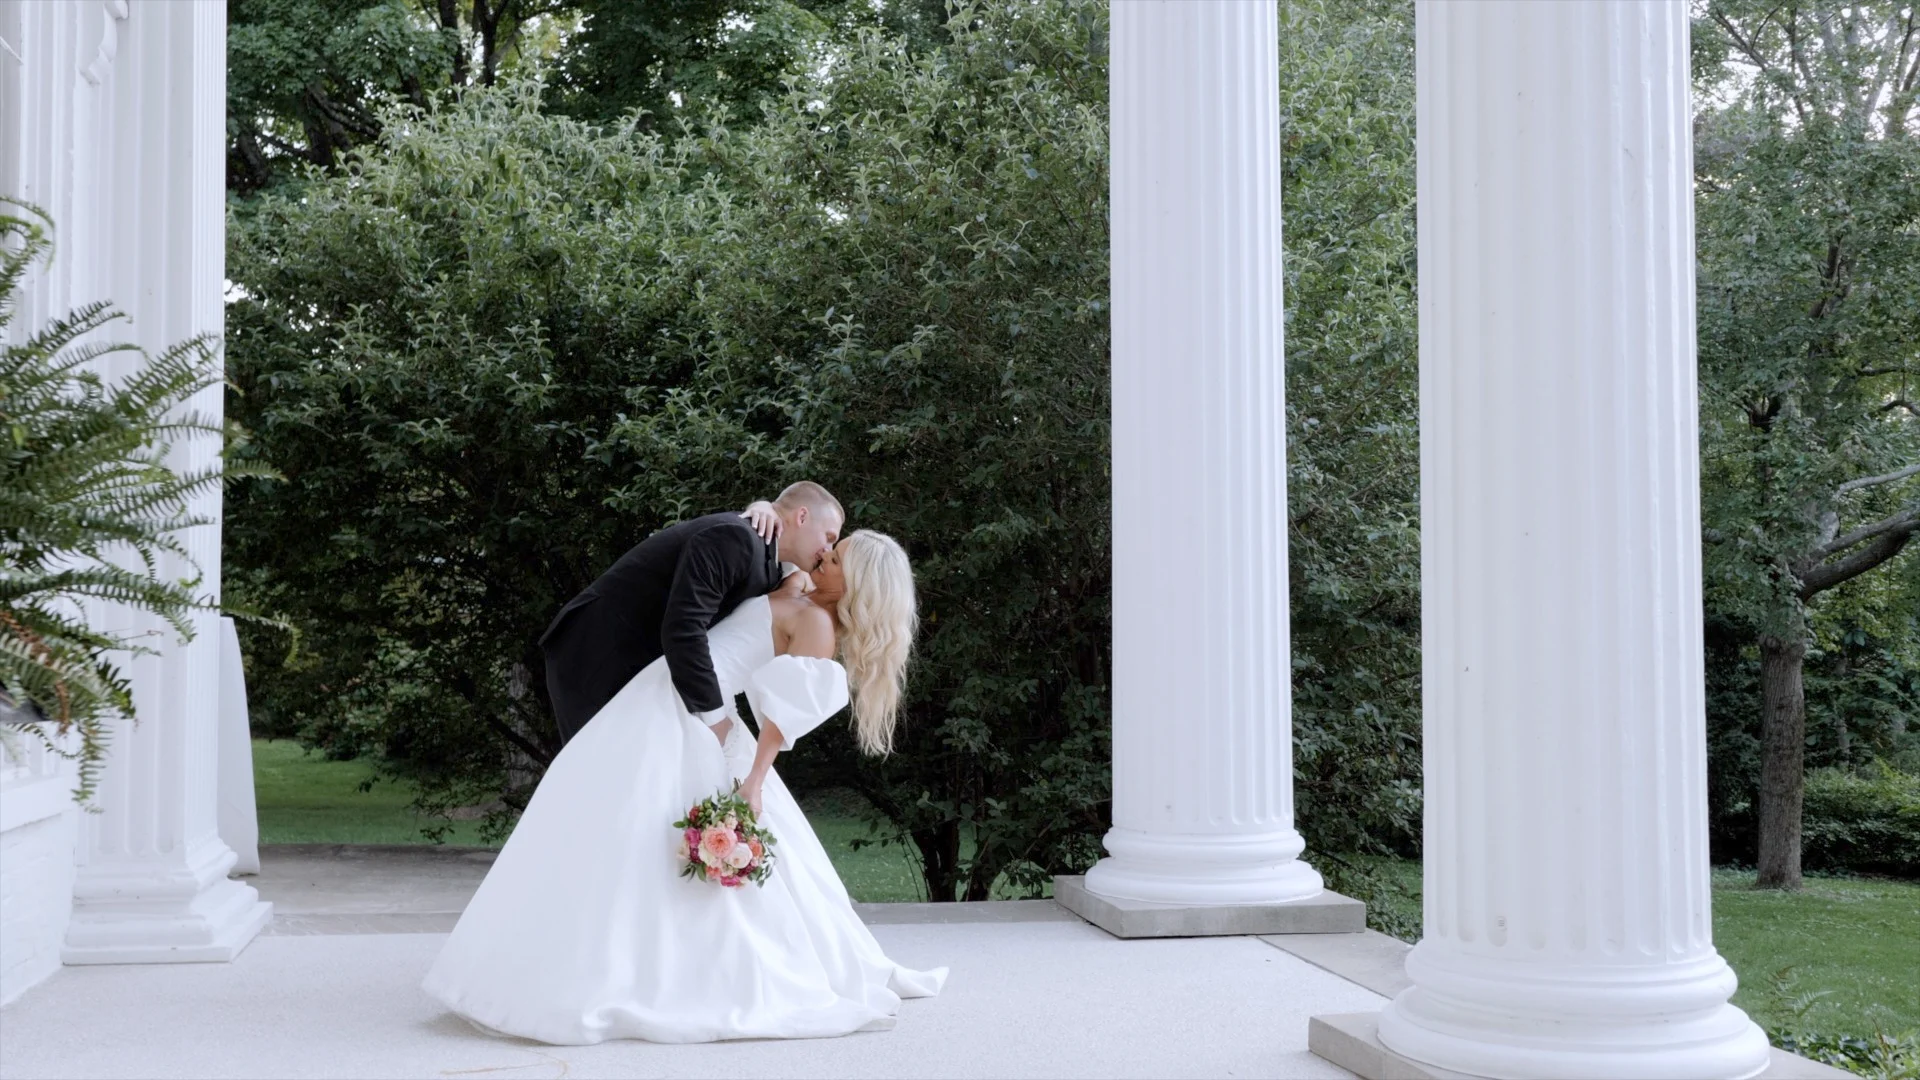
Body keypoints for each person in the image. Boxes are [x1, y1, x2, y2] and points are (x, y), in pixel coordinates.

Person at [423, 530, 945, 1044]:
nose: (824, 557)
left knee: (640, 834)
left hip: (693, 716)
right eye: (831, 548)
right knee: (601, 823)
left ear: (855, 586)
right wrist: (763, 510)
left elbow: (782, 717)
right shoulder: (798, 587)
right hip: (663, 695)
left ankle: (650, 972)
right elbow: (772, 541)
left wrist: (754, 781)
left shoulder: (815, 624)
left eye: (836, 561)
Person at [539, 482, 842, 747]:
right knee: (592, 779)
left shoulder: (771, 561)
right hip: (593, 653)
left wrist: (764, 505)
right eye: (828, 537)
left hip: (639, 668)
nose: (827, 550)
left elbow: (808, 582)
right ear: (802, 516)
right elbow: (684, 627)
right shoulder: (736, 539)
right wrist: (714, 717)